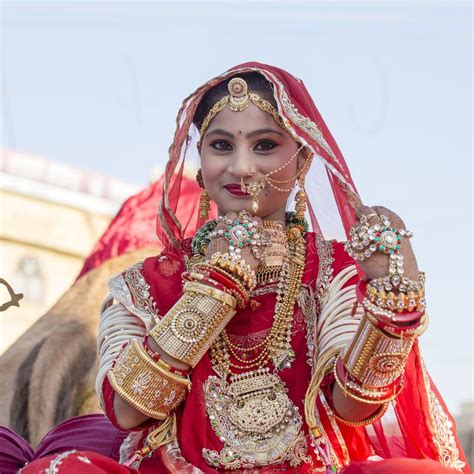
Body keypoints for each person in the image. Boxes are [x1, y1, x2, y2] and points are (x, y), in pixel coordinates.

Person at [8, 62, 469, 473]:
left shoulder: (330, 270)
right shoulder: (148, 282)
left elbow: (353, 407)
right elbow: (128, 412)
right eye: (221, 145)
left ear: (303, 159)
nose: (241, 167)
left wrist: (394, 303)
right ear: (200, 158)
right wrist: (216, 288)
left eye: (265, 145)